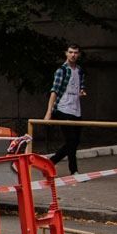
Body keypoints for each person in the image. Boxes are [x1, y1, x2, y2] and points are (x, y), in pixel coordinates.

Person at [43, 44, 86, 174]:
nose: (73, 55)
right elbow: (54, 91)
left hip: (76, 110)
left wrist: (82, 92)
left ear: (79, 54)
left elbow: (80, 87)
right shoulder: (61, 70)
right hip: (62, 109)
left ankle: (50, 163)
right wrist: (49, 112)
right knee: (71, 140)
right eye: (71, 52)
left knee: (75, 142)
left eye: (76, 53)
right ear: (66, 53)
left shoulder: (79, 70)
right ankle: (73, 171)